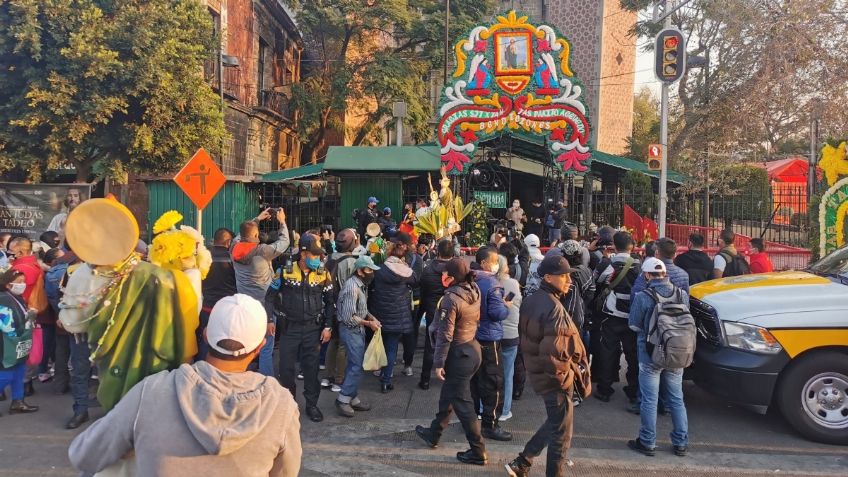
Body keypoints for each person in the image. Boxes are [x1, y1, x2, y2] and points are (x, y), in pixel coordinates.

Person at [68, 294, 302, 475]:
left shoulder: (152, 391)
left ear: (206, 334)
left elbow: (85, 455)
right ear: (260, 347)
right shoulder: (281, 404)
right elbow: (286, 472)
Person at [505, 255, 586, 477]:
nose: (569, 280)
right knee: (562, 434)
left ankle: (523, 461)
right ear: (549, 277)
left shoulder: (534, 298)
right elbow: (554, 353)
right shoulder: (553, 308)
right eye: (563, 276)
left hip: (541, 373)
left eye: (569, 275)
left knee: (557, 421)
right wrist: (566, 379)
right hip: (555, 378)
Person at [415, 258, 487, 466]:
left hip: (458, 354)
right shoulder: (473, 290)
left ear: (452, 277)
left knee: (463, 403)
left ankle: (477, 450)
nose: (442, 276)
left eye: (445, 273)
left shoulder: (451, 299)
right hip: (471, 349)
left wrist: (438, 363)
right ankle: (433, 433)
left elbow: (445, 335)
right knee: (449, 395)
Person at [626, 258, 689, 458]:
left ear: (646, 275)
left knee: (649, 399)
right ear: (664, 273)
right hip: (677, 351)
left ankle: (647, 441)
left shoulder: (643, 296)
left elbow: (634, 325)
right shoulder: (681, 294)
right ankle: (681, 442)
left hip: (650, 354)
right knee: (676, 398)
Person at [270, 234, 334, 423]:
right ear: (304, 253)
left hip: (312, 330)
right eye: (314, 255)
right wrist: (269, 320)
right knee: (286, 369)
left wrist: (328, 326)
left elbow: (330, 301)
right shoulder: (285, 271)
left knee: (311, 370)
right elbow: (269, 296)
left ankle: (312, 405)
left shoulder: (323, 272)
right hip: (289, 328)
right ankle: (289, 405)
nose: (318, 259)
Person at [232, 208, 290, 376]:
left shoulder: (233, 249)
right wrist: (282, 222)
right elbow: (284, 242)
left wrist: (256, 219)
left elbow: (240, 235)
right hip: (265, 307)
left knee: (247, 344)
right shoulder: (262, 251)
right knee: (266, 347)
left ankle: (244, 375)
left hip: (244, 305)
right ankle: (267, 381)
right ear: (256, 235)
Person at [470, 246, 512, 440]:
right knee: (494, 383)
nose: (497, 264)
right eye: (494, 260)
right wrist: (506, 306)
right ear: (485, 263)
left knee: (475, 381)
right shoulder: (492, 284)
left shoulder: (471, 279)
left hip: (471, 336)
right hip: (489, 337)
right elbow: (496, 313)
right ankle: (490, 424)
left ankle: (473, 420)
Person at [368, 232, 419, 393]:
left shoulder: (380, 269)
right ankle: (386, 380)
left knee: (381, 344)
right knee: (391, 348)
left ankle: (380, 371)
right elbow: (416, 281)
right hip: (398, 315)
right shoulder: (406, 271)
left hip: (380, 312)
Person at [594, 231, 641, 406]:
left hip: (612, 314)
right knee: (632, 353)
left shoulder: (610, 263)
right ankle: (634, 390)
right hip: (633, 315)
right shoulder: (639, 264)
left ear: (614, 244)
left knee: (608, 351)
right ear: (632, 246)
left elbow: (599, 280)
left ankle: (605, 389)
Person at [335, 255, 382, 417]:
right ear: (360, 271)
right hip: (350, 330)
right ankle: (343, 399)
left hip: (357, 330)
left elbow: (361, 309)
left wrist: (371, 317)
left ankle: (352, 396)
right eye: (369, 270)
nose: (372, 273)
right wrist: (369, 323)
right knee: (356, 365)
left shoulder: (361, 285)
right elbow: (349, 317)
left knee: (355, 364)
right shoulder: (352, 287)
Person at [322, 228, 360, 393]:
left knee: (333, 341)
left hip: (330, 306)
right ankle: (339, 379)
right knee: (344, 344)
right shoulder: (351, 262)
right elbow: (352, 288)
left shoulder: (329, 258)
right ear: (352, 243)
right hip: (345, 308)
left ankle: (327, 376)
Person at [8, 236, 45, 396]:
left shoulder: (21, 269)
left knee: (13, 351)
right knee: (24, 350)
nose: (10, 253)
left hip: (18, 313)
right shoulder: (36, 265)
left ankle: (17, 386)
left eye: (12, 250)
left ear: (21, 251)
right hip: (31, 313)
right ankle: (25, 384)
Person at [0, 269, 39, 415]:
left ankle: (18, 402)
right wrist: (28, 318)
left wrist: (29, 316)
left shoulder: (15, 297)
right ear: (8, 284)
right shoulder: (3, 299)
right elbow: (7, 325)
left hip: (17, 342)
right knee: (7, 373)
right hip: (6, 343)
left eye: (23, 281)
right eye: (19, 282)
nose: (22, 285)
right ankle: (17, 402)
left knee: (19, 372)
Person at [418, 239, 455, 390]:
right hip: (451, 310)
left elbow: (423, 290)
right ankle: (448, 375)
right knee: (451, 342)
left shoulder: (427, 269)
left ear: (437, 251)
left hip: (433, 309)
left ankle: (425, 379)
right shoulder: (456, 269)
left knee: (430, 343)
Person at [198, 228, 237, 360]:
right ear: (228, 242)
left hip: (206, 307)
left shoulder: (204, 257)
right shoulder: (232, 258)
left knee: (204, 340)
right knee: (224, 343)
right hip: (225, 310)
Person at [496, 254, 522, 422]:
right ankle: (505, 410)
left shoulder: (488, 283)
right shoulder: (513, 284)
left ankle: (485, 408)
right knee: (508, 373)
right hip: (511, 334)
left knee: (488, 373)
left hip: (491, 334)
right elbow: (517, 303)